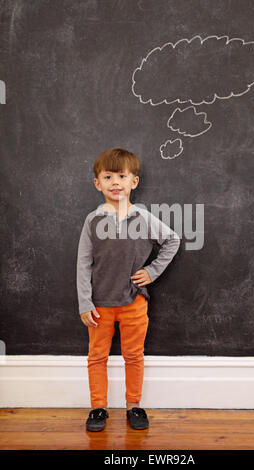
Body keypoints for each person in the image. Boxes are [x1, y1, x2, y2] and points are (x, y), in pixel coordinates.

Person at [76, 148, 180, 432]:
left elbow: (172, 240)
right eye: (108, 176)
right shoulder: (92, 220)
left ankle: (134, 405)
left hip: (134, 302)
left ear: (134, 182)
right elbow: (83, 263)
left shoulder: (143, 218)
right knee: (97, 356)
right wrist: (85, 302)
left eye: (122, 176)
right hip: (99, 305)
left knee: (133, 355)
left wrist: (152, 271)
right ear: (98, 183)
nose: (115, 182)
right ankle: (98, 408)